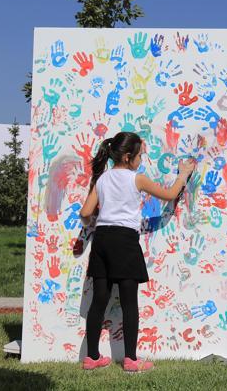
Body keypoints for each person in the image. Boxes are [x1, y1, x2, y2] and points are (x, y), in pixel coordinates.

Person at [79, 131, 195, 372]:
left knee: (99, 301)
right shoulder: (137, 179)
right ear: (129, 156)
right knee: (130, 303)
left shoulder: (102, 180)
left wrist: (97, 221)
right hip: (125, 241)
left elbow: (84, 213)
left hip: (102, 240)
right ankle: (130, 359)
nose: (142, 160)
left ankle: (91, 357)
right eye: (141, 155)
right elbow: (170, 195)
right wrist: (183, 174)